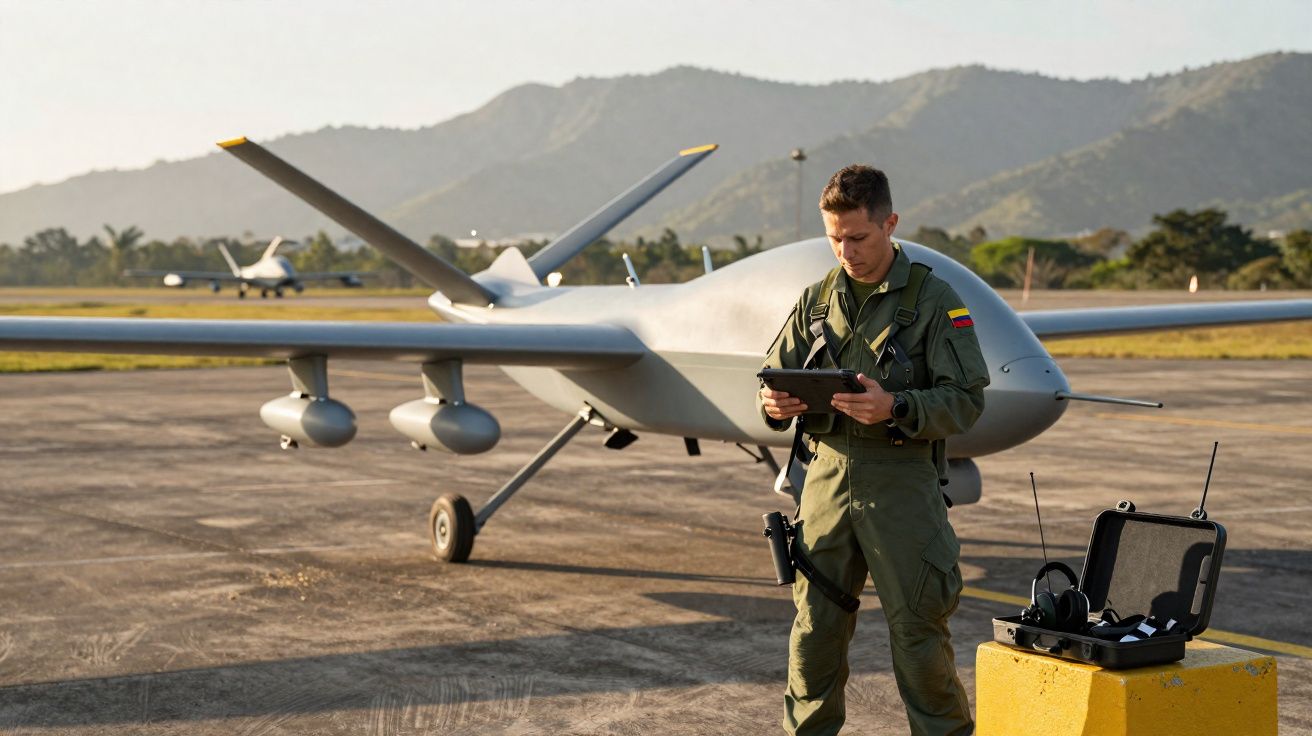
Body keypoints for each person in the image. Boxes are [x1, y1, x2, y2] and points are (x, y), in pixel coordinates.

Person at [758, 165, 990, 736]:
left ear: (890, 223)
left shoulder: (936, 300)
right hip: (826, 481)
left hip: (902, 483)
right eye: (834, 238)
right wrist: (774, 406)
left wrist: (898, 408)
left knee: (918, 632)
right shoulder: (816, 301)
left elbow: (966, 401)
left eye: (858, 237)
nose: (846, 251)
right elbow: (771, 380)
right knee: (814, 632)